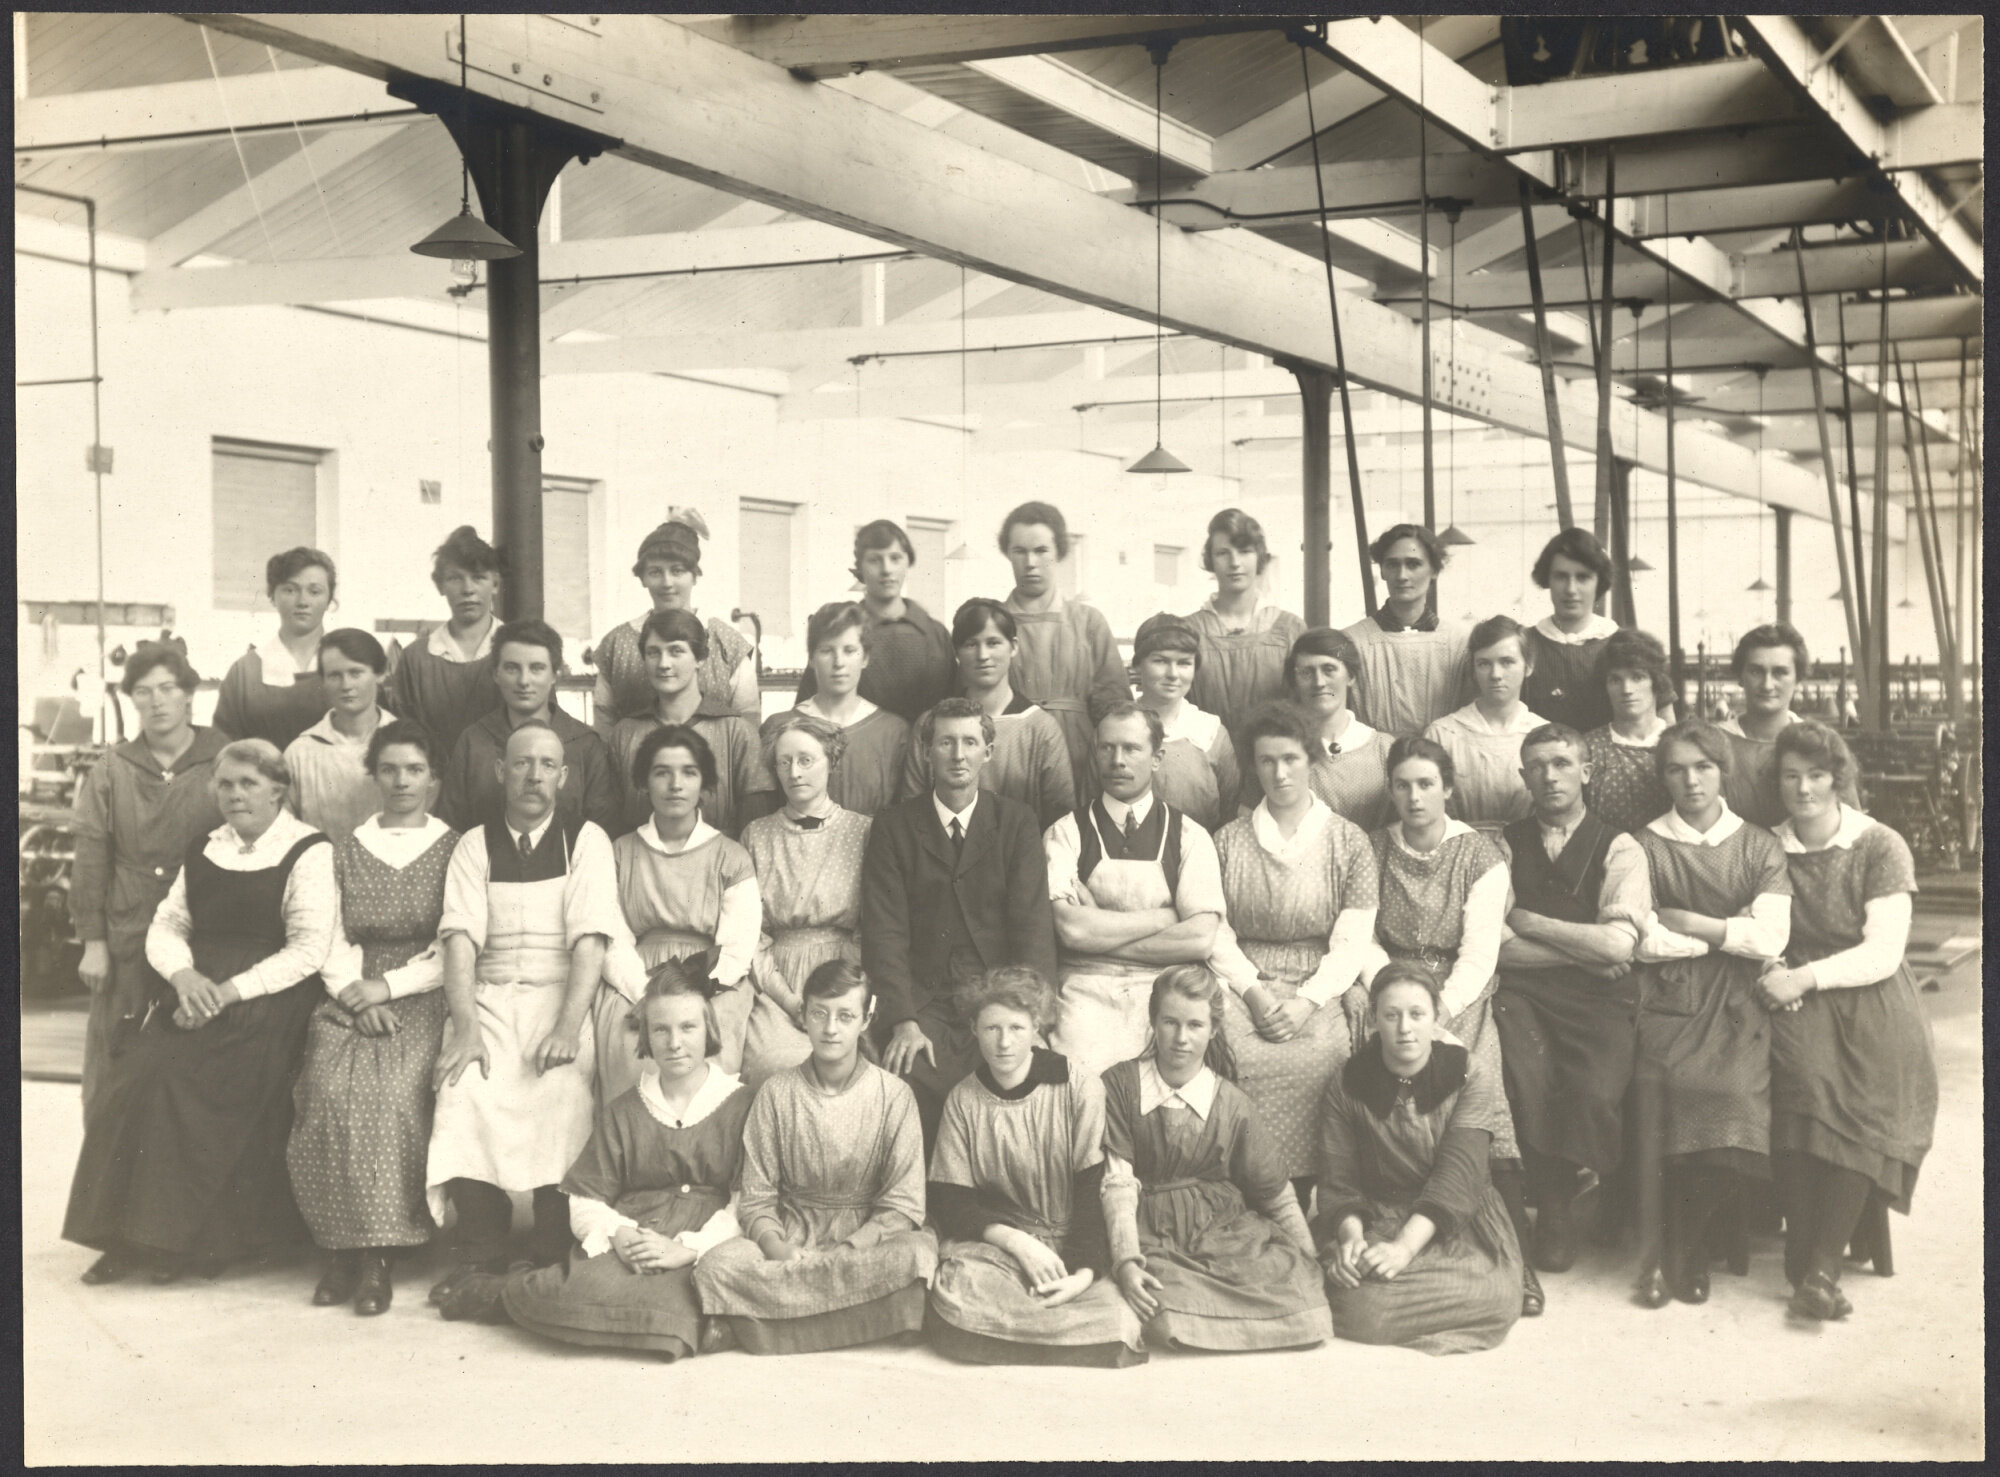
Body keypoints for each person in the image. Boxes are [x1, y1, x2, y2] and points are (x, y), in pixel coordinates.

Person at [65, 740, 337, 1284]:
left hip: (267, 996)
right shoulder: (206, 846)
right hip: (196, 986)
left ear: (277, 791)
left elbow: (308, 949)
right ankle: (123, 1236)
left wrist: (229, 993)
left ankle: (174, 1243)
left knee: (191, 1081)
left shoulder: (308, 850)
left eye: (248, 784)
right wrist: (184, 976)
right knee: (135, 1075)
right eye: (226, 784)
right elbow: (168, 924)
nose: (234, 795)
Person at [424, 721, 627, 1319]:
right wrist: (466, 1026)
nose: (533, 776)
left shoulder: (584, 839)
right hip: (486, 994)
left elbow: (591, 940)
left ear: (564, 777)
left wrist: (568, 1027)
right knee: (465, 1087)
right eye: (521, 764)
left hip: (560, 996)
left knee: (563, 1088)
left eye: (546, 765)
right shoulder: (473, 844)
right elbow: (459, 940)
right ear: (499, 771)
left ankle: (545, 1249)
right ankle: (480, 1254)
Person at [1759, 721, 1937, 1323]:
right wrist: (1775, 969)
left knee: (1871, 1095)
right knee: (1799, 1086)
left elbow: (1882, 952)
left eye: (1816, 775)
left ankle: (1818, 1267)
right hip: (1795, 995)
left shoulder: (1880, 844)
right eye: (1790, 776)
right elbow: (1758, 926)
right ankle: (1810, 1261)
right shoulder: (1767, 845)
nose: (1803, 788)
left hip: (1870, 992)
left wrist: (1803, 978)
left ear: (1838, 777)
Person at [286, 720, 458, 1317]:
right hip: (353, 992)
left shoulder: (455, 846)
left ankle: (379, 1256)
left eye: (415, 770)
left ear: (434, 779)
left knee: (389, 1096)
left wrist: (389, 988)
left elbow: (455, 947)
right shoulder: (346, 847)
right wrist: (355, 997)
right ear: (374, 775)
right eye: (389, 769)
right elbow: (328, 937)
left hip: (424, 992)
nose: (402, 781)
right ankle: (339, 1248)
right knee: (329, 1091)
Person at [496, 963, 756, 1355]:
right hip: (637, 1232)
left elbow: (747, 1202)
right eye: (660, 1030)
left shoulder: (740, 1104)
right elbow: (585, 1196)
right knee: (580, 1288)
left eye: (688, 1028)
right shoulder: (626, 1111)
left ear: (709, 1031)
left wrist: (688, 1248)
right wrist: (620, 1236)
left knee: (679, 1300)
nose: (674, 1043)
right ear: (646, 1038)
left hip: (706, 1241)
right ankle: (504, 1294)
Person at [1365, 736, 1538, 1316]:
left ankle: (1521, 1260)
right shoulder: (1371, 849)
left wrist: (1435, 1014)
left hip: (1458, 994)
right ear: (1389, 790)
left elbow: (1479, 951)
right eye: (1402, 785)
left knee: (1483, 1086)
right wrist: (1395, 1001)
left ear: (1449, 789)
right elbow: (1363, 937)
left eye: (1426, 784)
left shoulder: (1479, 855)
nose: (1414, 797)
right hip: (1386, 987)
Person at [693, 961, 940, 1354]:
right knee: (716, 1267)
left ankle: (758, 1325)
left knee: (917, 1256)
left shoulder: (893, 1095)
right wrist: (775, 1247)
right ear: (803, 1015)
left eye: (845, 1016)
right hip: (794, 1235)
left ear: (866, 1019)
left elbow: (904, 1204)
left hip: (866, 1241)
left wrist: (850, 1249)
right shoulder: (777, 1093)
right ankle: (864, 1321)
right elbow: (756, 1196)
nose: (830, 1028)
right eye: (819, 1014)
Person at [1630, 720, 1792, 1309]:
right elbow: (1641, 938)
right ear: (1663, 776)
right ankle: (1688, 1247)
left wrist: (1694, 922)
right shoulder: (1644, 844)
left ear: (1723, 771)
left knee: (1733, 1093)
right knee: (1669, 1084)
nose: (1690, 780)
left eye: (1702, 767)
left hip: (1741, 995)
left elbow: (1773, 936)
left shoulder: (1757, 844)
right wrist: (1728, 932)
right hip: (1668, 990)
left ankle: (1683, 1251)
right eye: (1676, 768)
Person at [1099, 965, 1332, 1352]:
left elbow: (1276, 1194)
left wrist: (1312, 1261)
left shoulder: (1231, 1103)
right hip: (1151, 1229)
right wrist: (1126, 1261)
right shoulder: (1121, 1086)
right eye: (1170, 1022)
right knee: (1162, 1297)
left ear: (1214, 1029)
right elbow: (1117, 1185)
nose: (1181, 1038)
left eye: (1195, 1025)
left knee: (1293, 1278)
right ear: (1153, 1022)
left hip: (1221, 1228)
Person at [1489, 724, 1650, 1276]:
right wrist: (1588, 950)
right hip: (1524, 993)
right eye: (1536, 765)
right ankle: (1554, 1209)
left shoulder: (1621, 846)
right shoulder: (1504, 844)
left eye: (1561, 763)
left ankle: (1605, 1189)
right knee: (1524, 1076)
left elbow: (1620, 943)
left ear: (1586, 771)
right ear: (1522, 776)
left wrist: (1530, 919)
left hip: (1601, 998)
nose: (1549, 775)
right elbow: (1500, 952)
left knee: (1593, 1088)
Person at [863, 697, 1059, 1149]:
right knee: (908, 1072)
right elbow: (884, 932)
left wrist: (1033, 1014)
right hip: (924, 997)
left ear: (988, 752)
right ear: (926, 751)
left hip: (997, 992)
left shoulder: (1015, 822)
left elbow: (1032, 927)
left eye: (970, 742)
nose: (958, 754)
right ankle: (930, 1200)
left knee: (1013, 1068)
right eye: (946, 742)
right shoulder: (894, 827)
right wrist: (902, 1020)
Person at [926, 966, 1146, 1367]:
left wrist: (1081, 1275)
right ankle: (1049, 1339)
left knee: (1117, 1321)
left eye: (1017, 1028)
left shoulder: (1079, 1087)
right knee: (956, 1295)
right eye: (992, 1028)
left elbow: (1092, 1191)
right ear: (974, 1028)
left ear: (1037, 1028)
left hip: (1071, 1242)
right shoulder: (964, 1100)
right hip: (1002, 1247)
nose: (1004, 1043)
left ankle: (1017, 1337)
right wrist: (1019, 1243)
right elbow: (954, 1202)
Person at [1208, 703, 1378, 1204]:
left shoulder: (1349, 840)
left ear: (1311, 759)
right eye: (1266, 761)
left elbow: (1353, 939)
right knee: (1235, 1055)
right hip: (1243, 979)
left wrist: (1308, 1002)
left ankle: (1315, 1196)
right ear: (1253, 767)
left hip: (1319, 978)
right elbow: (1216, 933)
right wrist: (1255, 997)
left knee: (1326, 1055)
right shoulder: (1227, 841)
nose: (1279, 773)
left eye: (1291, 758)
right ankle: (1257, 1195)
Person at [1316, 962, 1523, 1355]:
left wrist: (1404, 1250)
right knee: (1350, 1295)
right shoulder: (1346, 1083)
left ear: (1435, 1017)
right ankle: (1395, 1297)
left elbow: (1458, 1179)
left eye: (1417, 1014)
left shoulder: (1469, 1075)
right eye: (1391, 1016)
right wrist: (1352, 1242)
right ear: (1374, 1019)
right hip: (1378, 1213)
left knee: (1496, 1297)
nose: (1405, 1028)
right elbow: (1338, 1180)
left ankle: (1406, 1299)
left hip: (1455, 1218)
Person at [71, 642, 227, 1113]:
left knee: (198, 1055)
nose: (157, 701)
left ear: (188, 695)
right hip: (129, 927)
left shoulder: (224, 756)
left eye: (167, 688)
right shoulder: (111, 768)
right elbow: (91, 858)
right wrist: (94, 944)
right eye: (143, 691)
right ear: (132, 700)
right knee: (119, 1053)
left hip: (209, 921)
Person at [1046, 704, 1226, 1081]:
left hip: (1167, 987)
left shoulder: (1189, 835)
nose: (1117, 760)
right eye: (1106, 748)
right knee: (1080, 1079)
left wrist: (1098, 930)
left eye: (1131, 749)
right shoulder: (1066, 832)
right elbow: (1071, 931)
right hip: (1085, 986)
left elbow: (1200, 939)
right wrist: (1164, 917)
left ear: (1157, 757)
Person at [596, 725, 760, 1112]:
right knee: (626, 1053)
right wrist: (646, 995)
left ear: (704, 782)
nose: (675, 784)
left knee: (709, 1055)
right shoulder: (619, 852)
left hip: (712, 978)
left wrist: (695, 996)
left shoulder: (730, 855)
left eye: (688, 772)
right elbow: (612, 938)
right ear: (643, 781)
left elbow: (738, 947)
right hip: (635, 976)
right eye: (661, 772)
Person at [738, 714, 870, 1087]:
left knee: (851, 1071)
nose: (794, 772)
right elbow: (752, 935)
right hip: (778, 983)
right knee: (772, 1063)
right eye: (784, 762)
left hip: (846, 973)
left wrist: (840, 987)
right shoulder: (757, 835)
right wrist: (793, 1002)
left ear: (832, 762)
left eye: (806, 760)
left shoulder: (864, 830)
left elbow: (872, 923)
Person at [436, 619, 621, 837]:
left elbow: (602, 831)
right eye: (512, 668)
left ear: (554, 675)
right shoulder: (473, 741)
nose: (524, 681)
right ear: (496, 674)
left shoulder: (585, 744)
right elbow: (451, 828)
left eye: (536, 668)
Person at [998, 501, 1130, 797]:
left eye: (1041, 550)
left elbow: (1116, 705)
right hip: (1008, 753)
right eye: (1020, 551)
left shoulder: (1088, 622)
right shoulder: (993, 623)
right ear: (1008, 553)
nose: (1030, 562)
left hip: (1079, 755)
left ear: (1058, 552)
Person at [590, 509, 760, 738]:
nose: (667, 582)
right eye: (655, 572)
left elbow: (748, 723)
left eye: (677, 571)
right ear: (642, 578)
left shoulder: (727, 643)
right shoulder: (617, 644)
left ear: (694, 576)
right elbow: (603, 726)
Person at [909, 597, 1073, 828]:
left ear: (1013, 646)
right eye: (971, 644)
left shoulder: (1041, 728)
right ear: (957, 653)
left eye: (994, 642)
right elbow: (911, 809)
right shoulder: (931, 723)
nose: (983, 655)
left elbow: (1060, 818)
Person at [605, 609, 772, 836]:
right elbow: (611, 821)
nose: (663, 663)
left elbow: (756, 827)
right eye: (653, 652)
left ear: (700, 659)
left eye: (676, 651)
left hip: (721, 864)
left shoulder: (736, 732)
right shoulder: (625, 734)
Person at [795, 520, 954, 722]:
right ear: (860, 567)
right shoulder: (840, 630)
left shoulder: (936, 634)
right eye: (874, 560)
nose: (886, 569)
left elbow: (955, 710)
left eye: (895, 558)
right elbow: (809, 711)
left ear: (908, 562)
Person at [1182, 509, 1306, 753]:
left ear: (1260, 558)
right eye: (1223, 553)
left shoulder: (1290, 629)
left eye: (1245, 551)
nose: (1235, 563)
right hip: (1206, 759)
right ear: (1210, 560)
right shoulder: (1188, 631)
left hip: (1274, 763)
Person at [1718, 624, 1859, 827]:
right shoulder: (1713, 743)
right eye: (1756, 672)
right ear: (1741, 677)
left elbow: (1846, 818)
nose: (1767, 685)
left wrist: (1809, 800)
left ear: (1798, 678)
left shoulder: (1822, 744)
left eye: (1780, 672)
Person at [1339, 524, 1473, 739]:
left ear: (1435, 571)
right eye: (1392, 565)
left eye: (1413, 564)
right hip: (1373, 763)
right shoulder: (1350, 641)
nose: (1402, 575)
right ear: (1382, 571)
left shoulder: (1461, 642)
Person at [1423, 614, 1549, 837]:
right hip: (1457, 851)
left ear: (1528, 666)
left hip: (1529, 855)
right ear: (1473, 668)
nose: (1496, 675)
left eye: (1507, 662)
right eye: (1484, 664)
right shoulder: (1442, 735)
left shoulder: (1544, 735)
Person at [388, 526, 503, 763]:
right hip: (434, 792)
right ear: (439, 585)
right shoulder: (416, 659)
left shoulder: (520, 651)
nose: (468, 589)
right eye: (455, 578)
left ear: (496, 583)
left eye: (478, 577)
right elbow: (403, 738)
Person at [790, 600, 911, 818]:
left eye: (849, 650)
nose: (839, 662)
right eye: (827, 650)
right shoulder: (783, 727)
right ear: (811, 658)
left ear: (864, 658)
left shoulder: (893, 732)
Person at [213, 546, 336, 750]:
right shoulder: (244, 674)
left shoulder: (352, 665)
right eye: (290, 590)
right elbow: (224, 750)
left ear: (329, 598)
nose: (303, 601)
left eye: (314, 591)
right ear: (272, 596)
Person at [284, 628, 394, 846]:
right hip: (319, 875)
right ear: (323, 681)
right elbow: (284, 831)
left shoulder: (410, 745)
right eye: (335, 675)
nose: (346, 686)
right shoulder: (299, 753)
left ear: (380, 674)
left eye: (356, 673)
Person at [1129, 613, 1238, 832]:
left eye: (1184, 663)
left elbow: (1229, 809)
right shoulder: (1117, 727)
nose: (1173, 674)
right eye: (1160, 661)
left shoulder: (1210, 732)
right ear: (1139, 665)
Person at [1285, 627, 1396, 830]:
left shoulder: (1384, 750)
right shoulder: (1279, 750)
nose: (1319, 682)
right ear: (1294, 682)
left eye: (1329, 670)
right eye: (1306, 673)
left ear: (1351, 677)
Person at [1520, 528, 1620, 734]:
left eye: (1583, 577)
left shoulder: (1624, 644)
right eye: (1561, 577)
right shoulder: (1523, 644)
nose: (1571, 589)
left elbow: (1663, 726)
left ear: (1598, 582)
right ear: (1547, 579)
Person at [1581, 627, 1675, 835]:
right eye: (1616, 679)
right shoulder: (1589, 748)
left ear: (1656, 682)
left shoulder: (1679, 745)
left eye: (1637, 677)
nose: (1626, 689)